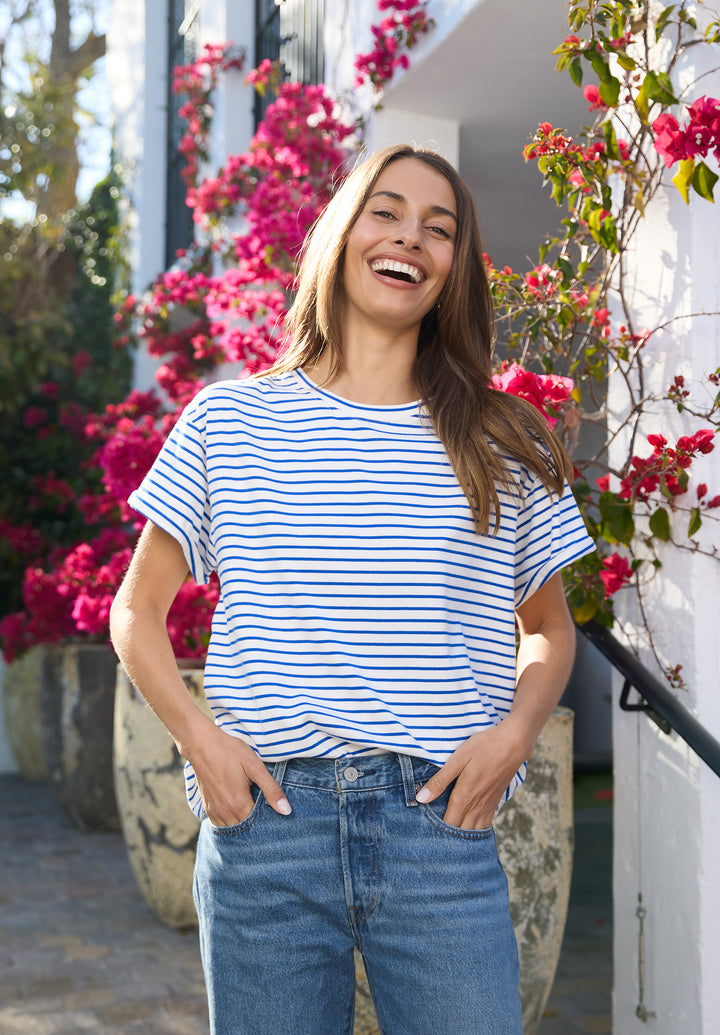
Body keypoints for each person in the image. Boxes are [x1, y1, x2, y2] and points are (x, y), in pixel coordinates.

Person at [110, 143, 595, 1035]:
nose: (411, 235)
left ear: (453, 267)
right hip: (270, 826)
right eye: (388, 210)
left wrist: (513, 737)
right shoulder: (229, 420)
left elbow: (549, 630)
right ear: (342, 230)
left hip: (439, 831)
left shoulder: (501, 437)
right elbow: (136, 611)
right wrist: (203, 745)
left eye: (439, 228)